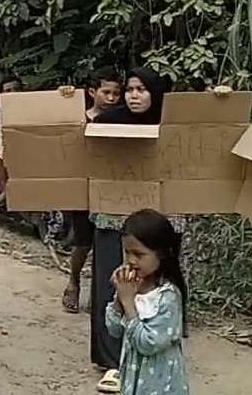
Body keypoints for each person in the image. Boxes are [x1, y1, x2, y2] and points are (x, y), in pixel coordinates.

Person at [90, 67, 166, 394]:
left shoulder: (168, 125)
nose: (134, 96)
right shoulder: (108, 122)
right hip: (111, 218)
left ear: (155, 93)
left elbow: (208, 128)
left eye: (141, 89)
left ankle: (149, 348)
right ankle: (113, 362)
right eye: (130, 89)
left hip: (151, 223)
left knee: (152, 287)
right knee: (112, 283)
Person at [104, 209, 189, 395]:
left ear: (162, 253)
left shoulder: (168, 297)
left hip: (160, 387)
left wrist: (128, 303)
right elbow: (114, 329)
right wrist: (120, 297)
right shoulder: (132, 285)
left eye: (139, 254)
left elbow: (148, 343)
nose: (131, 260)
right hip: (133, 383)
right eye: (127, 253)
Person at [62, 67, 123, 314]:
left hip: (110, 188)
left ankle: (100, 295)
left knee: (106, 243)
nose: (111, 98)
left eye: (116, 93)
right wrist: (64, 96)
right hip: (82, 189)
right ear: (91, 92)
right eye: (106, 92)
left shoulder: (122, 119)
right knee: (83, 242)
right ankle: (73, 281)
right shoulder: (78, 117)